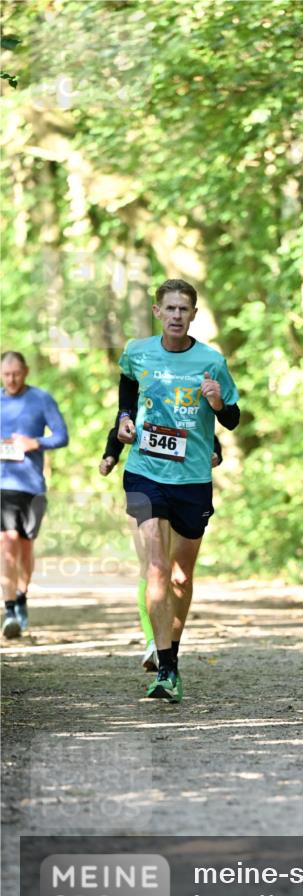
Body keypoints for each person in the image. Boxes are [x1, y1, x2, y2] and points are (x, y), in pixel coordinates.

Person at [116, 278, 240, 702]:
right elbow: (127, 384)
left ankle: (172, 650)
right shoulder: (138, 351)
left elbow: (234, 419)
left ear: (193, 315)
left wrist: (218, 402)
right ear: (157, 313)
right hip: (145, 472)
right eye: (168, 309)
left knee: (181, 576)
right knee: (155, 567)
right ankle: (166, 669)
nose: (175, 316)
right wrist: (124, 420)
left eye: (183, 310)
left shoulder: (211, 361)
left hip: (191, 480)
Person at [99, 418, 223, 671]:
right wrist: (110, 455)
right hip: (146, 484)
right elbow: (121, 426)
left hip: (184, 488)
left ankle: (168, 646)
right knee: (151, 566)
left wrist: (216, 453)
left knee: (178, 574)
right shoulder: (145, 384)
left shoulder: (183, 394)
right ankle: (153, 643)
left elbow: (205, 432)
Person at [0, 351, 69, 638]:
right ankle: (9, 608)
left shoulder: (41, 399)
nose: (11, 379)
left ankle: (22, 597)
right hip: (3, 484)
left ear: (26, 371)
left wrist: (34, 442)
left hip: (32, 486)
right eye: (6, 374)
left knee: (26, 547)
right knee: (7, 541)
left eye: (16, 373)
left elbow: (61, 436)